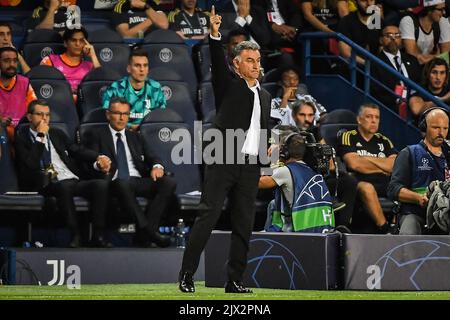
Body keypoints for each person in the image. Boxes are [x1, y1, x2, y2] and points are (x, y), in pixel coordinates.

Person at [178, 7, 271, 294]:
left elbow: (261, 129)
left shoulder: (266, 95)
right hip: (223, 157)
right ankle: (187, 275)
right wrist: (215, 34)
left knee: (244, 224)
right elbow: (217, 63)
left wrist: (265, 155)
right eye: (249, 61)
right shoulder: (228, 86)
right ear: (237, 65)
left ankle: (235, 280)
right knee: (208, 215)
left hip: (250, 164)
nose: (255, 65)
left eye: (257, 60)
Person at [14, 99, 112, 248]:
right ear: (29, 117)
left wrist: (97, 157)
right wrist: (40, 136)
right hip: (46, 183)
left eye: (47, 115)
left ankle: (98, 235)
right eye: (40, 114)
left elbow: (76, 150)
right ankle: (75, 235)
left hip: (71, 178)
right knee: (64, 187)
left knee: (101, 185)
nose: (44, 118)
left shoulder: (57, 133)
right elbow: (31, 165)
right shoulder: (22, 137)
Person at [86, 97, 176, 248]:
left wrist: (157, 166)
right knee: (122, 183)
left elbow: (152, 156)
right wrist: (98, 165)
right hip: (114, 182)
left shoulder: (135, 136)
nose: (122, 118)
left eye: (125, 114)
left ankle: (146, 232)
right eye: (117, 113)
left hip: (136, 179)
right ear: (108, 115)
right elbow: (89, 161)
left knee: (168, 183)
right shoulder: (96, 134)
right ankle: (150, 233)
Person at [291, 101, 357, 229]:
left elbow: (330, 164)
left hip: (318, 178)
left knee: (349, 181)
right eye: (302, 115)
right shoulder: (287, 132)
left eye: (310, 115)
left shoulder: (316, 133)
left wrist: (325, 164)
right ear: (294, 116)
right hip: (297, 180)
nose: (307, 119)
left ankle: (342, 226)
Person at [388, 107, 450, 234]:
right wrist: (418, 198)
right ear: (424, 128)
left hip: (445, 214)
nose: (441, 133)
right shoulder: (409, 152)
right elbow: (393, 189)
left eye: (445, 128)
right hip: (415, 212)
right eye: (436, 127)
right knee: (408, 237)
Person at [338, 103, 398, 233]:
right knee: (367, 188)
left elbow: (394, 166)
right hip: (358, 181)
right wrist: (382, 165)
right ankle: (385, 229)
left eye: (377, 117)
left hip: (384, 181)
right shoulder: (349, 136)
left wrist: (365, 159)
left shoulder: (384, 140)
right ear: (359, 119)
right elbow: (354, 164)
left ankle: (397, 225)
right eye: (369, 117)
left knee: (404, 186)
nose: (373, 120)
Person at [259, 132, 335, 233]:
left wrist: (273, 159)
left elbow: (257, 183)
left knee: (254, 240)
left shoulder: (285, 171)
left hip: (298, 234)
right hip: (322, 231)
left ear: (283, 152)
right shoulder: (313, 170)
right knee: (273, 204)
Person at [101, 49, 166, 130]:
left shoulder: (155, 87)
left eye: (145, 65)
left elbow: (161, 115)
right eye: (137, 65)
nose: (142, 69)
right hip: (122, 132)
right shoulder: (116, 88)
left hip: (149, 133)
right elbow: (107, 114)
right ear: (129, 68)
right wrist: (129, 126)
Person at [371, 24, 421, 113]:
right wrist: (399, 101)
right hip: (391, 109)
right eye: (388, 35)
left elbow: (420, 82)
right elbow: (376, 92)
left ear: (401, 40)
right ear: (381, 40)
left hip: (414, 104)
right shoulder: (375, 62)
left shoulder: (412, 59)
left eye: (397, 35)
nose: (393, 38)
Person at [40, 27, 100, 99]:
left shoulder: (90, 66)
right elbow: (42, 87)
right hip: (57, 102)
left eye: (81, 41)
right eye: (73, 40)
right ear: (65, 43)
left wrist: (93, 56)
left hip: (84, 104)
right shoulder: (50, 61)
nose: (78, 44)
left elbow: (102, 83)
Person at [0, 47, 37, 133]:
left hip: (21, 133)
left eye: (15, 61)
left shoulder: (25, 82)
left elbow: (34, 108)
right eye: (6, 61)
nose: (12, 64)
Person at [399, 0, 445, 65]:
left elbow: (445, 57)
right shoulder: (408, 21)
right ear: (429, 10)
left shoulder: (440, 23)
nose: (444, 12)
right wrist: (438, 57)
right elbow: (412, 57)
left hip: (428, 68)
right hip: (409, 68)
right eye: (440, 9)